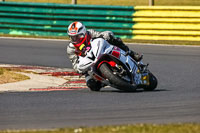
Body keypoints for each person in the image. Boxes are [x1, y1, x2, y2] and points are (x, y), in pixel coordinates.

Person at [66, 21, 143, 90]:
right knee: (92, 85)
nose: (75, 39)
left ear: (83, 33)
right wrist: (80, 69)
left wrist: (106, 35)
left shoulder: (90, 33)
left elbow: (101, 35)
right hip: (88, 65)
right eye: (72, 37)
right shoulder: (71, 49)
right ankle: (106, 81)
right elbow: (75, 64)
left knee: (113, 39)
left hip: (100, 51)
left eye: (77, 36)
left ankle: (131, 53)